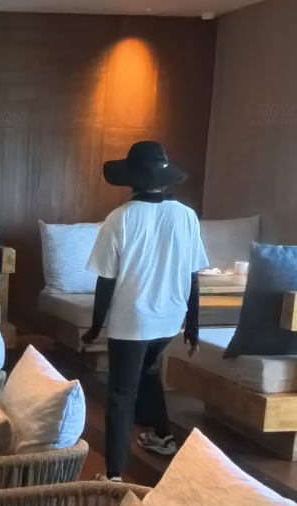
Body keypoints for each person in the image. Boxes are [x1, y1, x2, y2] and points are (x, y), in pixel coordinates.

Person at [81, 141, 209, 481]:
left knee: (121, 394)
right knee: (149, 373)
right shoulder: (186, 215)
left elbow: (106, 281)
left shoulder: (120, 218)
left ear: (131, 179)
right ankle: (164, 436)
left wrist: (95, 328)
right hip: (170, 318)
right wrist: (192, 327)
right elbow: (193, 275)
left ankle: (113, 475)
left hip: (131, 321)